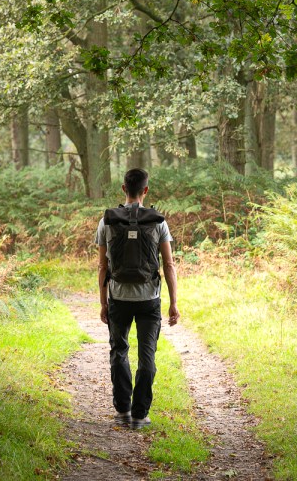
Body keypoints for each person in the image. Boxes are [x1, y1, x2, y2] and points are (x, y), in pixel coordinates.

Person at [96, 167, 179, 429]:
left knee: (119, 351)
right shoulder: (158, 221)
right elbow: (168, 264)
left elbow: (101, 266)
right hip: (148, 300)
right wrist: (173, 303)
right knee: (147, 356)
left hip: (118, 297)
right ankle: (140, 414)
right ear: (146, 190)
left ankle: (122, 410)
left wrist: (103, 302)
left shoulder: (107, 220)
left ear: (123, 189)